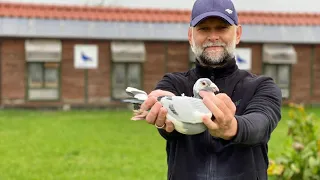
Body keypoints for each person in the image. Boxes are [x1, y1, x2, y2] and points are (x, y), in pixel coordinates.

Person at [138, 0, 282, 179]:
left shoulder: (262, 86)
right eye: (204, 29)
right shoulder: (173, 84)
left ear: (238, 34)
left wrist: (232, 127)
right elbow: (168, 128)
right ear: (191, 36)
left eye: (222, 28)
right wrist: (165, 113)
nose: (213, 36)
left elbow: (260, 125)